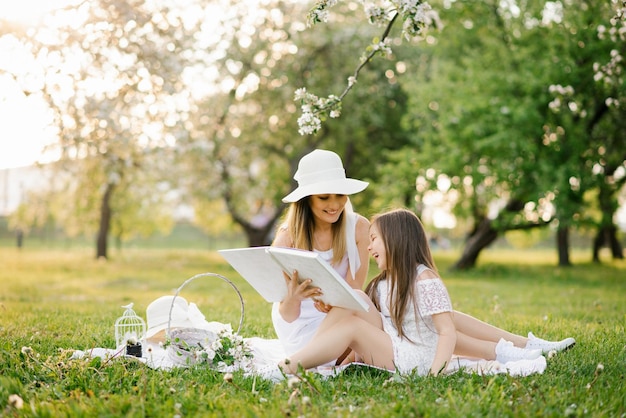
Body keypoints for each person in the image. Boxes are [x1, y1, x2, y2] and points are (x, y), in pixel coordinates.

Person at [258, 209, 574, 380]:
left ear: (395, 241)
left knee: (439, 320)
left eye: (373, 241)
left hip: (403, 354)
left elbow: (445, 329)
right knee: (421, 321)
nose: (367, 248)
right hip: (356, 342)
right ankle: (510, 350)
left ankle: (522, 346)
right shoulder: (384, 284)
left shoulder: (418, 281)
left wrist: (434, 374)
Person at [270, 149, 371, 365]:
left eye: (340, 195)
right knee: (348, 346)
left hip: (342, 314)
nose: (335, 205)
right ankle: (308, 358)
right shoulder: (288, 237)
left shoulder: (359, 228)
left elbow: (355, 291)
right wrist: (295, 297)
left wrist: (334, 305)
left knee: (372, 325)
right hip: (300, 323)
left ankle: (323, 357)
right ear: (306, 200)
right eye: (324, 197)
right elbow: (286, 314)